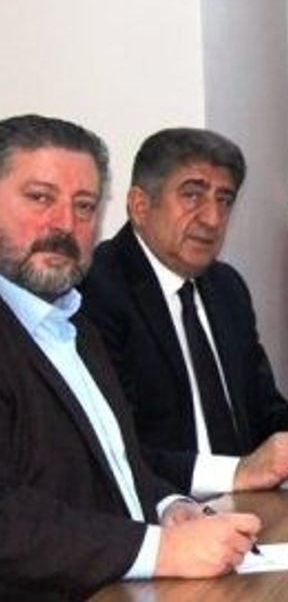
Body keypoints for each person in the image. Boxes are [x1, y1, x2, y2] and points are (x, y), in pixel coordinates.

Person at [0, 115, 259, 599]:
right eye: (40, 198)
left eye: (84, 206)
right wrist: (158, 549)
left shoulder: (74, 324)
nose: (64, 225)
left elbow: (115, 464)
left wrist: (168, 507)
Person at [79, 128, 288, 495]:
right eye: (192, 195)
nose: (212, 218)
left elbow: (264, 411)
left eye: (224, 200)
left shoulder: (226, 287)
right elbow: (115, 449)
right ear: (140, 206)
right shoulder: (96, 291)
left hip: (246, 506)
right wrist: (237, 472)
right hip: (162, 511)